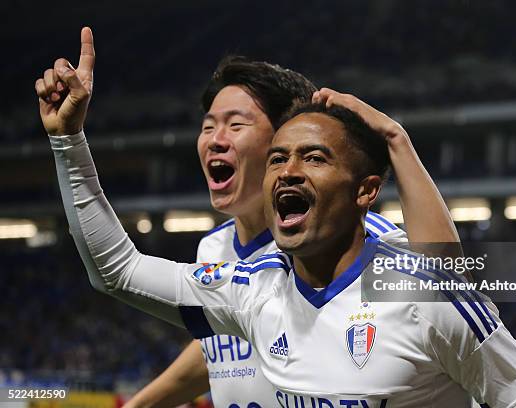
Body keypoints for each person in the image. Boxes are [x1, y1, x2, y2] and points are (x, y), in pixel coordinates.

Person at [35, 28, 460, 407]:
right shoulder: (215, 253)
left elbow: (456, 293)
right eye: (207, 127)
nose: (216, 140)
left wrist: (397, 142)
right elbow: (223, 337)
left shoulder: (360, 246)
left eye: (236, 125)